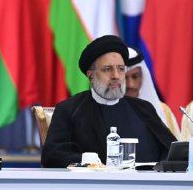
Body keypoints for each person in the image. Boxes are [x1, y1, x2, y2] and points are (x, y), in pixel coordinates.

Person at [41, 36, 175, 168]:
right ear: (91, 75)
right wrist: (87, 161)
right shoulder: (69, 109)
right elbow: (51, 155)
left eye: (121, 69)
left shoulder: (143, 108)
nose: (116, 76)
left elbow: (172, 151)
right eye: (107, 69)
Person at [125, 47, 180, 137]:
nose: (130, 85)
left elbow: (176, 145)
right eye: (124, 78)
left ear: (143, 76)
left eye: (135, 76)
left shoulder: (163, 111)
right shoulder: (108, 111)